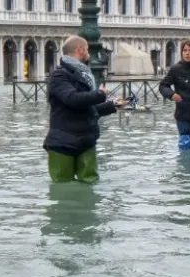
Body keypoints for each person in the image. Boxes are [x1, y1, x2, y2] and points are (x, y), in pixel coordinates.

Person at [43, 35, 127, 183]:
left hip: (86, 141)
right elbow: (72, 99)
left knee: (90, 183)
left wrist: (112, 105)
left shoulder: (85, 75)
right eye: (87, 49)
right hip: (63, 143)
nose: (89, 53)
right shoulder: (59, 76)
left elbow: (87, 108)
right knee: (62, 188)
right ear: (80, 49)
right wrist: (100, 94)